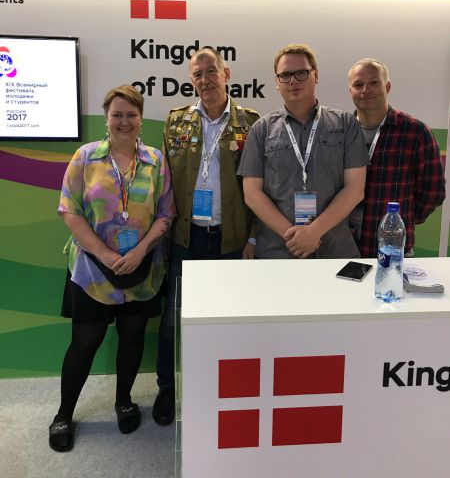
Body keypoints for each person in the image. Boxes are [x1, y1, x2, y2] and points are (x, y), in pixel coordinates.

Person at [49, 85, 175, 452]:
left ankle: (124, 401)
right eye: (117, 114)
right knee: (84, 343)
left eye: (131, 115)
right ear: (106, 118)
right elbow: (69, 210)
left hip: (141, 268)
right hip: (93, 269)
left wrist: (141, 250)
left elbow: (166, 213)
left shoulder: (155, 160)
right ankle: (63, 414)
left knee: (132, 337)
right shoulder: (86, 157)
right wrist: (104, 254)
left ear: (140, 118)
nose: (124, 121)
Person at [153, 47, 260, 425]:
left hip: (232, 240)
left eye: (211, 71)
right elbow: (165, 185)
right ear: (191, 81)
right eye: (197, 74)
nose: (205, 79)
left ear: (226, 73)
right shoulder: (175, 122)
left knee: (230, 319)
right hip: (187, 239)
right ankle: (167, 388)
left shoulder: (252, 124)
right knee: (173, 320)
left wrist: (254, 238)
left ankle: (227, 388)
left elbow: (262, 188)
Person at [238, 43, 368, 259]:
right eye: (285, 75)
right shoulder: (261, 129)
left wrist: (314, 232)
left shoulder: (346, 124)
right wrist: (296, 238)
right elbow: (252, 194)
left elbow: (355, 189)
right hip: (278, 252)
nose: (293, 81)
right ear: (277, 82)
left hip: (333, 251)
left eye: (301, 73)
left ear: (315, 75)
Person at [347, 57, 446, 257]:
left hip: (392, 249)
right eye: (358, 84)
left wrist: (404, 219)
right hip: (343, 247)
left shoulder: (415, 132)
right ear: (351, 90)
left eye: (374, 82)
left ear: (387, 86)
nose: (366, 90)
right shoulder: (341, 131)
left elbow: (433, 191)